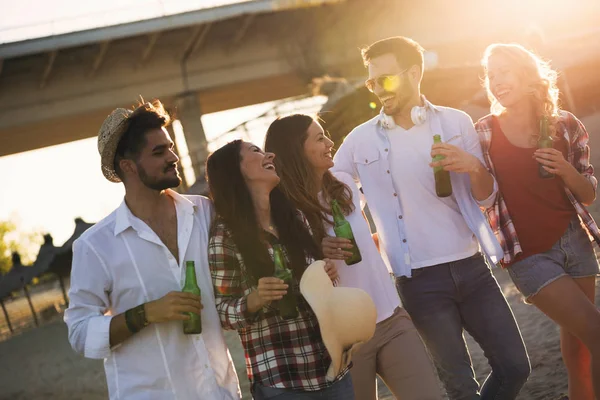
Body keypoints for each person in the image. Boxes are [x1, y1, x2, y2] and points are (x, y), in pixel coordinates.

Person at [332, 36, 531, 399]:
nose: (378, 89)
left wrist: (472, 166)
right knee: (458, 385)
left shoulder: (456, 121)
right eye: (372, 82)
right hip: (418, 281)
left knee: (516, 366)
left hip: (472, 268)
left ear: (414, 73)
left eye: (386, 79)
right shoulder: (359, 141)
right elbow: (330, 199)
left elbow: (486, 195)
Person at [64, 100, 240, 400]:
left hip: (220, 391)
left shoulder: (204, 212)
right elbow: (80, 333)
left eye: (170, 147)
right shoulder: (95, 246)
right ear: (128, 166)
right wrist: (145, 314)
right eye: (159, 152)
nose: (174, 157)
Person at [264, 114, 441, 400]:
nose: (330, 143)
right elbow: (281, 265)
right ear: (296, 149)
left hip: (391, 318)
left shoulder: (344, 184)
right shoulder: (283, 212)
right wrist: (314, 250)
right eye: (319, 138)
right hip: (343, 339)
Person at [475, 43, 600, 400]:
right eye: (491, 74)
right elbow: (480, 194)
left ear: (529, 79)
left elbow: (588, 192)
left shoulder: (564, 125)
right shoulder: (483, 132)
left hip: (574, 242)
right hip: (528, 254)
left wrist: (563, 168)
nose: (496, 80)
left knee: (579, 347)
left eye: (504, 71)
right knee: (596, 331)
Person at [206, 140, 353, 400]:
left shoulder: (294, 217)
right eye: (255, 152)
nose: (269, 154)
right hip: (281, 379)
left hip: (331, 366)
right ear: (235, 171)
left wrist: (325, 273)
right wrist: (255, 299)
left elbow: (319, 288)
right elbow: (222, 313)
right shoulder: (225, 235)